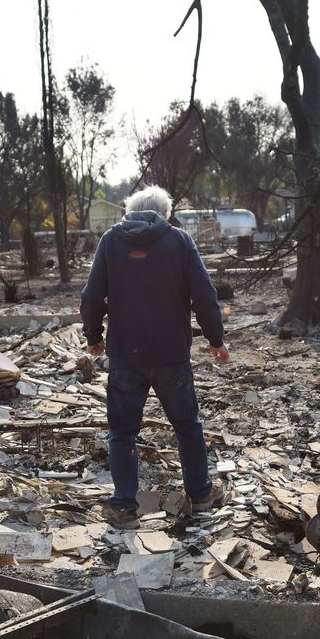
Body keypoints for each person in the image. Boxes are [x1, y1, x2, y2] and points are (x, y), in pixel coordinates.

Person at [81, 185, 229, 530]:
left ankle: (123, 506)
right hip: (171, 355)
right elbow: (204, 294)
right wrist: (215, 339)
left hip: (125, 357)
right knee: (188, 428)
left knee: (122, 433)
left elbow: (91, 296)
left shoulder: (110, 241)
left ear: (128, 211)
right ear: (165, 214)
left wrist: (94, 336)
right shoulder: (178, 241)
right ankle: (201, 496)